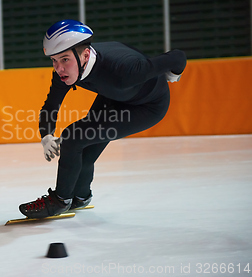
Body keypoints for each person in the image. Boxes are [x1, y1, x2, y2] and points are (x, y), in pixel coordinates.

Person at [19, 19, 186, 219]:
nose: (59, 68)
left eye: (64, 60)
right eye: (54, 60)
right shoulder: (64, 71)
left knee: (73, 136)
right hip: (115, 96)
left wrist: (174, 73)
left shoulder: (125, 70)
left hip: (148, 106)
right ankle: (81, 196)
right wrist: (46, 135)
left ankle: (59, 200)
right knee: (85, 148)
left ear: (85, 55)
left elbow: (178, 56)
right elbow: (51, 105)